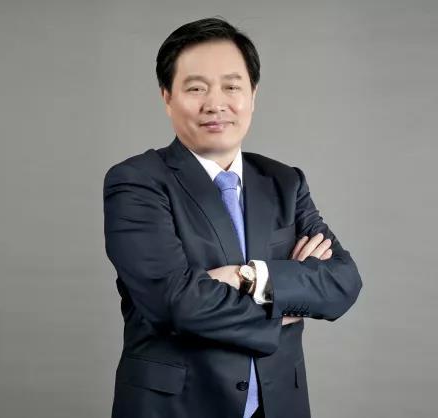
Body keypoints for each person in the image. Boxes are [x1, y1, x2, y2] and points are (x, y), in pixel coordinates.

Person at [103, 17, 362, 418]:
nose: (215, 103)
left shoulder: (285, 181)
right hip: (177, 408)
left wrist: (249, 278)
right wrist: (286, 299)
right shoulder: (137, 182)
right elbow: (176, 303)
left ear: (253, 95)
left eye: (231, 86)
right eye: (196, 88)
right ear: (167, 97)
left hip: (279, 406)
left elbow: (343, 282)